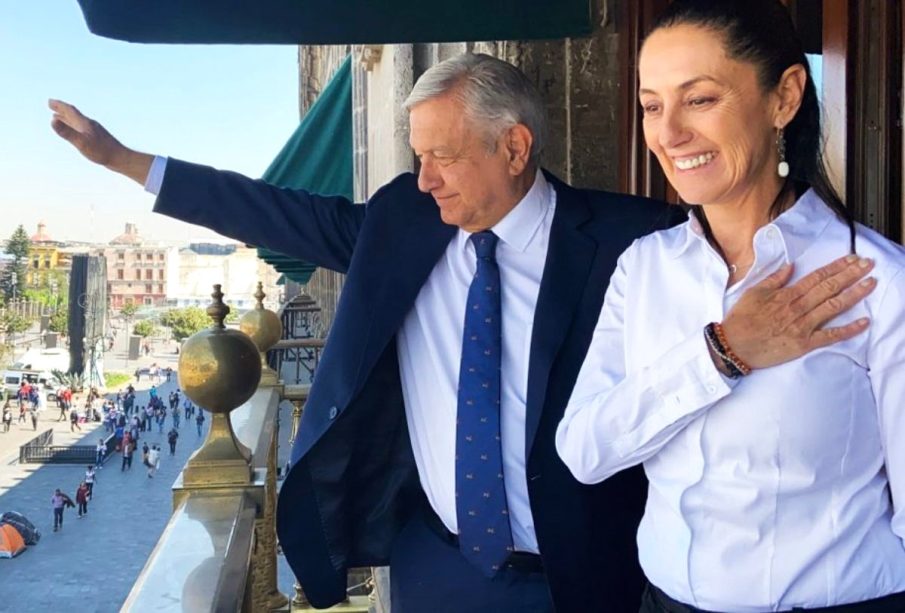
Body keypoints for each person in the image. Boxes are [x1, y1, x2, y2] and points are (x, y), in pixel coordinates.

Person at [49, 51, 868, 613]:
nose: (421, 177)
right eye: (415, 155)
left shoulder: (635, 238)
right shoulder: (404, 223)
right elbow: (277, 211)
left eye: (441, 156)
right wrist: (127, 161)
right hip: (438, 563)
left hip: (593, 567)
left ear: (514, 147)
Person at [555, 2, 905, 611]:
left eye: (700, 99)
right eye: (652, 105)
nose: (669, 133)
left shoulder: (878, 281)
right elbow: (584, 452)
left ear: (784, 97)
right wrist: (721, 353)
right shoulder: (644, 269)